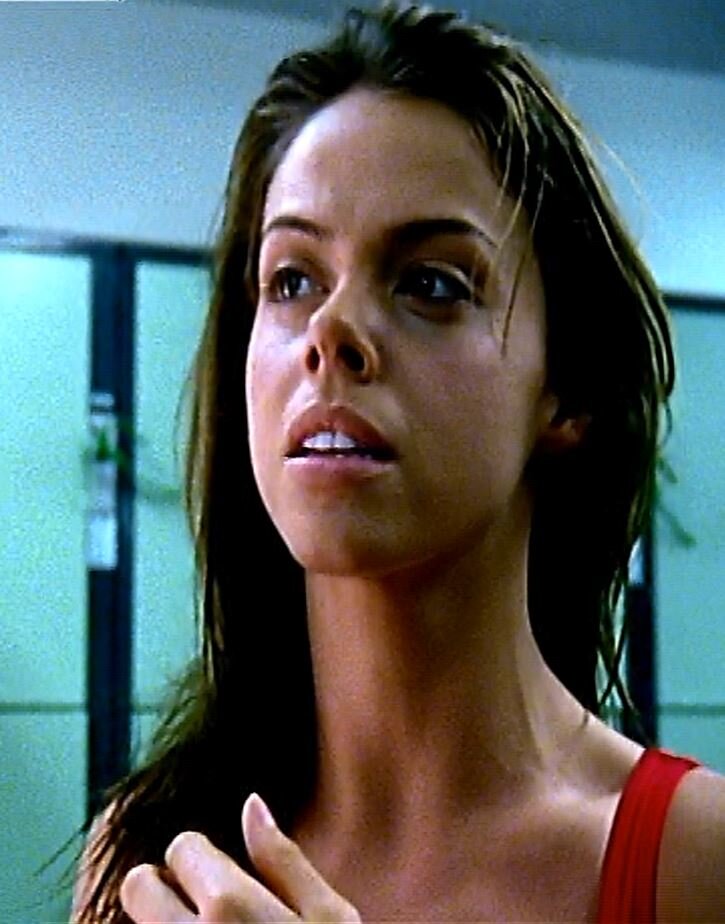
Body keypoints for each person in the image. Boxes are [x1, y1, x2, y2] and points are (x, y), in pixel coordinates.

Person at [73, 3, 725, 921]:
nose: (331, 329)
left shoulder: (695, 860)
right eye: (291, 280)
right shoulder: (155, 859)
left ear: (566, 389)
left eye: (430, 284)